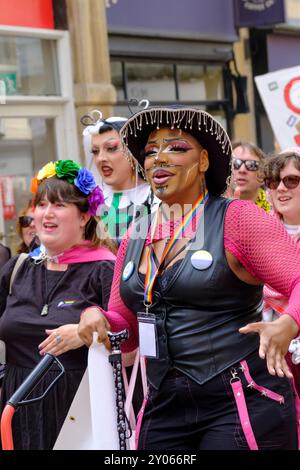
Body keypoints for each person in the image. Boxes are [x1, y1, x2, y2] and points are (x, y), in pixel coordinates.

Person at [78, 105, 300, 451]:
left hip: (238, 399)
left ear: (204, 161)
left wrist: (289, 322)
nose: (159, 159)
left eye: (176, 148)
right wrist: (97, 318)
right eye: (151, 151)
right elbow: (128, 325)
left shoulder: (238, 218)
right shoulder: (136, 234)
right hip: (164, 403)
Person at [0, 159, 116, 450]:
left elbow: (129, 342)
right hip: (16, 407)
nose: (47, 214)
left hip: (79, 411)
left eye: (60, 205)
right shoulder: (19, 268)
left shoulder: (104, 269)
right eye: (41, 205)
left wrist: (85, 333)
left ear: (84, 217)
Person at [82, 110, 155, 245]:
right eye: (95, 151)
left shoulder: (156, 198)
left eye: (111, 148)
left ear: (134, 150)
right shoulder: (89, 202)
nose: (101, 159)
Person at [263, 148, 300, 393]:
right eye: (274, 182)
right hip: (266, 351)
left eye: (292, 180)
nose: (281, 188)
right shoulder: (256, 231)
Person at [226, 140, 271, 211]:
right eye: (235, 163)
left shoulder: (277, 210)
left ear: (262, 174)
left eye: (251, 165)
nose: (242, 170)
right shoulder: (207, 206)